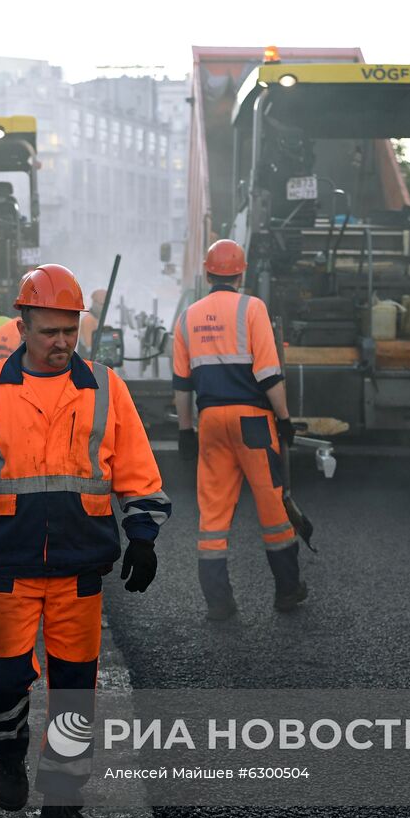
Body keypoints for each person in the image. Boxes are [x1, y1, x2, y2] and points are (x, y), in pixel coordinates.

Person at [0, 264, 170, 818]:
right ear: (23, 324)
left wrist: (143, 535)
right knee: (2, 684)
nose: (60, 343)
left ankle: (62, 803)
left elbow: (137, 469)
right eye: (49, 331)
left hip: (80, 569)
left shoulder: (105, 387)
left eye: (69, 331)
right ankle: (7, 755)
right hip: (8, 565)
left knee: (74, 693)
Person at [174, 238, 306, 621]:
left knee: (213, 514)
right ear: (242, 272)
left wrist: (185, 430)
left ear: (207, 272)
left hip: (211, 421)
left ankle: (219, 602)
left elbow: (181, 384)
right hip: (253, 422)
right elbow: (268, 372)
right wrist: (283, 419)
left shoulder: (188, 316)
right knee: (272, 509)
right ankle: (286, 591)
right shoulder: (252, 308)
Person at [77, 288, 106, 356]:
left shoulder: (96, 319)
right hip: (88, 362)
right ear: (94, 303)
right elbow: (90, 349)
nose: (103, 307)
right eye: (102, 304)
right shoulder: (88, 320)